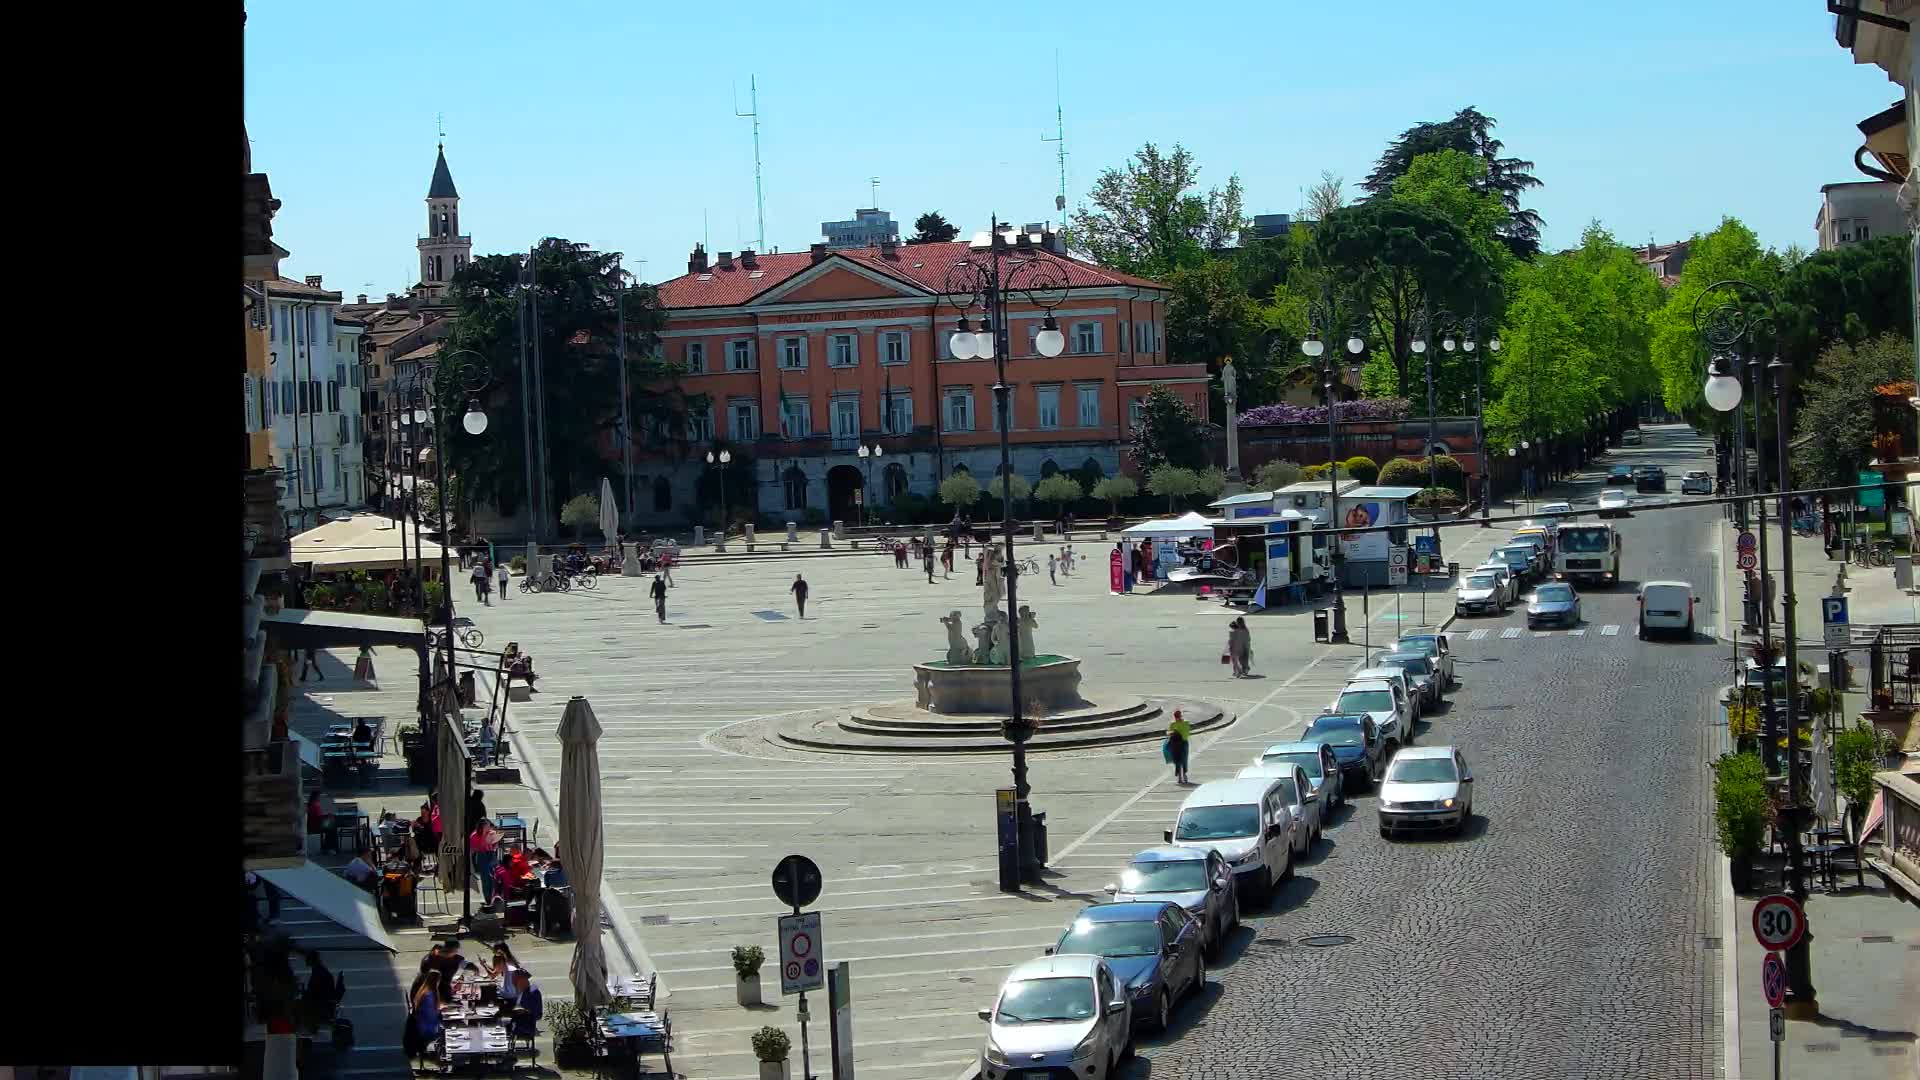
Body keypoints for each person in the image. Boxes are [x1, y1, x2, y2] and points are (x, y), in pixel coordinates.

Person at [408, 970, 443, 1067]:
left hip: (420, 1024)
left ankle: (437, 1057)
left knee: (443, 1027)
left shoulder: (424, 991)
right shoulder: (430, 995)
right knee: (446, 1031)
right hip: (426, 1029)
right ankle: (438, 1059)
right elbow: (431, 1015)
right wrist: (440, 1012)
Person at [470, 818, 502, 906]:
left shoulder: (491, 833)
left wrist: (495, 841)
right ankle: (487, 898)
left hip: (490, 854)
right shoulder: (474, 835)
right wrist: (484, 836)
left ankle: (493, 897)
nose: (489, 827)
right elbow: (475, 848)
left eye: (489, 825)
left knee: (493, 877)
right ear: (482, 827)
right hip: (482, 855)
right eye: (487, 826)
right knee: (485, 878)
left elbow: (495, 846)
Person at [508, 968, 543, 1039]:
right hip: (519, 1017)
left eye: (516, 982)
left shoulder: (533, 992)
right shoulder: (523, 991)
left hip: (525, 1022)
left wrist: (522, 1011)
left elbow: (535, 1012)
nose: (515, 984)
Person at [1165, 709, 1193, 785]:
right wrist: (1172, 732)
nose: (1177, 718)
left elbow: (1186, 733)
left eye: (1178, 716)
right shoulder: (1173, 723)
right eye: (1176, 716)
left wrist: (1175, 732)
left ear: (1180, 716)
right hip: (1176, 744)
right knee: (1177, 761)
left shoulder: (1186, 723)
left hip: (1183, 743)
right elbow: (1168, 732)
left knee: (1183, 760)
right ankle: (1180, 777)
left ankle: (1184, 775)